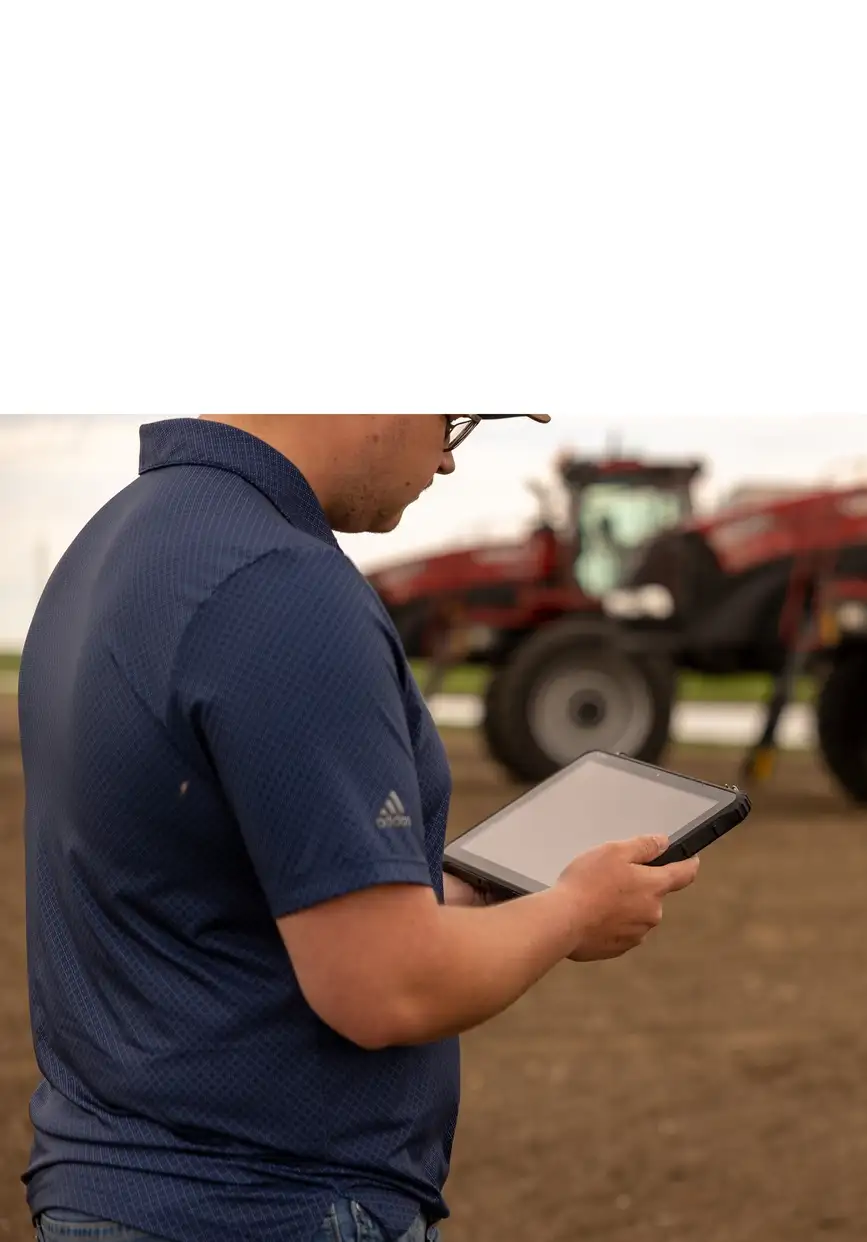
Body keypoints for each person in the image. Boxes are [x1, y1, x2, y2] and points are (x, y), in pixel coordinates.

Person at [19, 415, 701, 1242]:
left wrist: (454, 893)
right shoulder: (279, 585)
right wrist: (572, 912)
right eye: (452, 414)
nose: (449, 458)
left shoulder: (117, 541)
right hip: (268, 1203)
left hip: (112, 1179)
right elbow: (386, 987)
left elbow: (200, 882)